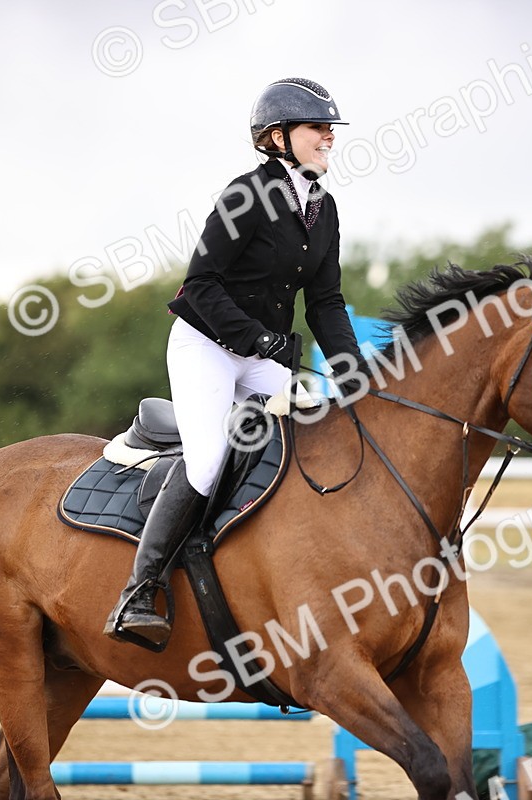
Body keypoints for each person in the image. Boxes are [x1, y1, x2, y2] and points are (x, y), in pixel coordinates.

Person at [103, 78, 365, 647]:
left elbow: (325, 302)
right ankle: (138, 591)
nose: (328, 136)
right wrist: (258, 340)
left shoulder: (324, 209)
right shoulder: (244, 196)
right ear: (277, 137)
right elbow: (199, 286)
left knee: (323, 431)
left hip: (259, 353)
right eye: (317, 127)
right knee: (207, 460)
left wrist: (353, 369)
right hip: (208, 347)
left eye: (330, 129)